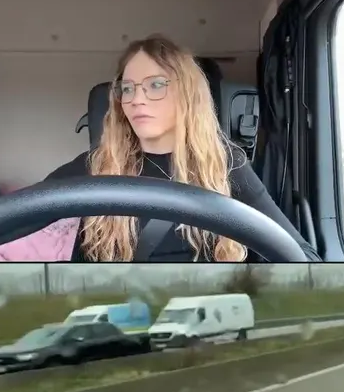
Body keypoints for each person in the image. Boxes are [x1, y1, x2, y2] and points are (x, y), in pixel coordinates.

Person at [44, 35, 319, 262]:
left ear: (186, 94)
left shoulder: (224, 164)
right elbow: (24, 214)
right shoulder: (96, 166)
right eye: (127, 88)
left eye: (155, 85)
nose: (136, 99)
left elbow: (297, 253)